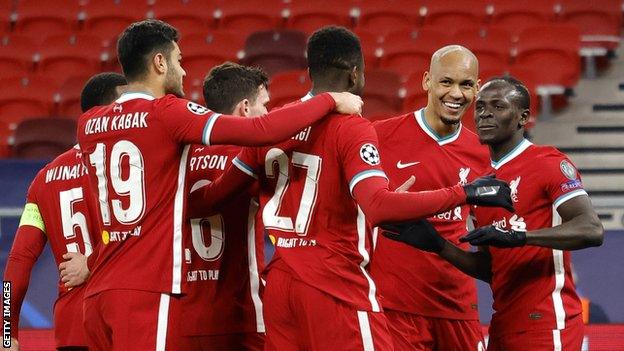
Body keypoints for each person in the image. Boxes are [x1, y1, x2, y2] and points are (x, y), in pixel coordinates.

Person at [192, 26, 513, 351]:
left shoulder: (271, 127)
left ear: (309, 71)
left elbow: (212, 198)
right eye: (447, 82)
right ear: (355, 74)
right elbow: (377, 205)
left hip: (280, 283)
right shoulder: (356, 130)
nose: (456, 92)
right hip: (336, 284)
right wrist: (465, 192)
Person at [76, 19, 363, 351]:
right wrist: (327, 101)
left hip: (98, 292)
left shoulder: (88, 124)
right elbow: (260, 132)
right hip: (147, 291)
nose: (183, 73)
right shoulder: (167, 113)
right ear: (159, 63)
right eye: (179, 61)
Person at [383, 76, 604, 351]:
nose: (485, 113)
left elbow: (591, 229)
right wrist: (438, 245)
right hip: (502, 325)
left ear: (523, 117)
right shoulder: (482, 184)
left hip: (547, 323)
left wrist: (521, 237)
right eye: (481, 106)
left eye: (498, 106)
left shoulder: (548, 162)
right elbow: (491, 269)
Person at [370, 45, 488, 350]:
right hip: (395, 307)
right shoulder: (379, 137)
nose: (456, 94)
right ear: (426, 81)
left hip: (459, 306)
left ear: (477, 88)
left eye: (465, 85)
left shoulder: (484, 154)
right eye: (446, 82)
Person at [2, 72, 127, 351]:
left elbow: (19, 258)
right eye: (126, 104)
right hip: (118, 323)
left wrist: (6, 330)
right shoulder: (125, 169)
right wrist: (93, 263)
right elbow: (131, 236)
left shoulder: (44, 179)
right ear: (108, 112)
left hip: (71, 328)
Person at [169, 62, 270, 350]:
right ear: (246, 107)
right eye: (265, 105)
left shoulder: (178, 158)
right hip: (242, 318)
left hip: (183, 318)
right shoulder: (252, 157)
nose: (269, 114)